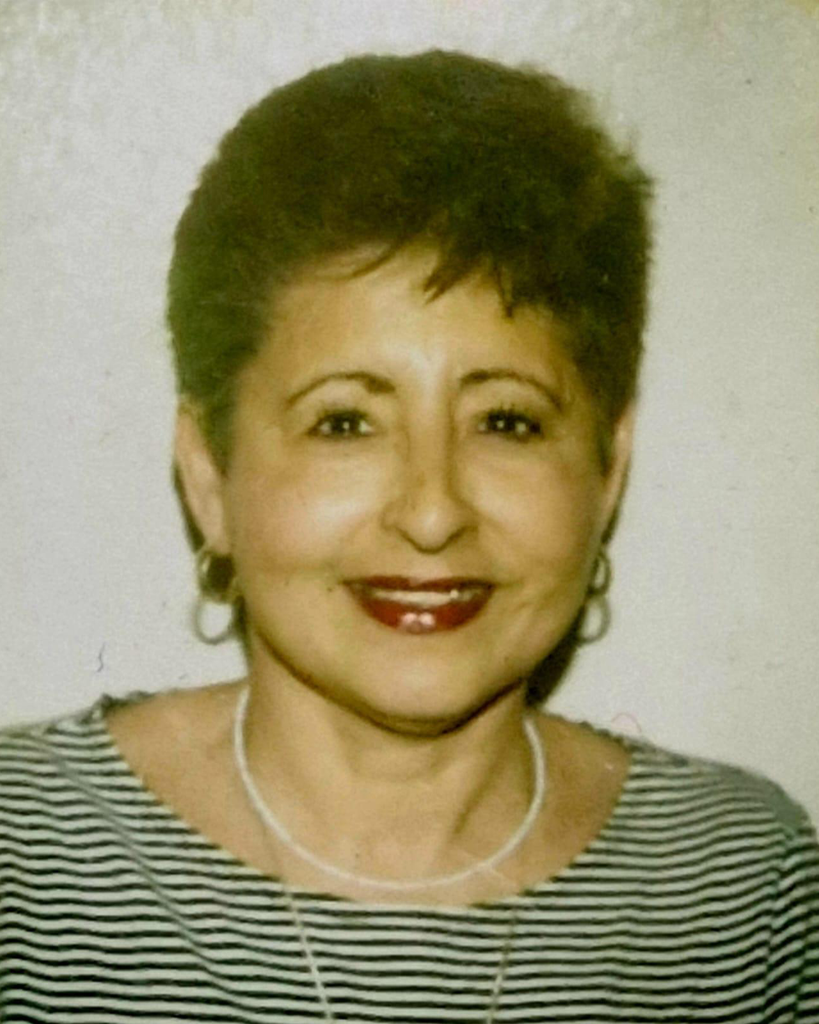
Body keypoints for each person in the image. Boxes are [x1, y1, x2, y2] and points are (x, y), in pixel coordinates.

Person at [0, 50, 816, 1022]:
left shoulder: (741, 888)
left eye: (506, 420)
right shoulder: (26, 861)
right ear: (209, 475)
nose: (432, 514)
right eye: (345, 422)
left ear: (607, 470)